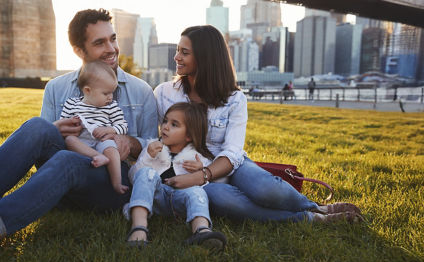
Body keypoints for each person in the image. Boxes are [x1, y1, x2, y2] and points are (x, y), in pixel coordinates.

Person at [0, 9, 158, 262]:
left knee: (67, 159)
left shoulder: (141, 91)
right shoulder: (56, 88)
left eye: (112, 39)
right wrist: (55, 129)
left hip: (116, 185)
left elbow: (157, 151)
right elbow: (42, 148)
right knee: (39, 127)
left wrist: (131, 142)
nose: (111, 48)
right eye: (99, 42)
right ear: (79, 51)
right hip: (65, 177)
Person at [151, 25, 362, 224]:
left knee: (267, 190)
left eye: (184, 52)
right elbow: (156, 140)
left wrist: (204, 174)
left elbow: (232, 152)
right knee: (224, 201)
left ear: (205, 58)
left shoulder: (234, 99)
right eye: (178, 50)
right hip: (190, 171)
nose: (176, 57)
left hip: (229, 165)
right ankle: (312, 218)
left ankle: (316, 207)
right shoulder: (164, 93)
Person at [123, 102, 226, 250]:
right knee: (146, 172)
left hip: (180, 203)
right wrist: (147, 157)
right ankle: (139, 227)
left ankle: (201, 230)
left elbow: (213, 184)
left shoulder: (198, 158)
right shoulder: (152, 148)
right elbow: (134, 177)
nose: (165, 126)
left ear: (189, 135)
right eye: (165, 121)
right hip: (155, 199)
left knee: (197, 191)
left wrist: (200, 172)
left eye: (174, 124)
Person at [60, 60, 128, 194]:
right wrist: (71, 122)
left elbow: (123, 126)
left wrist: (109, 130)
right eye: (106, 93)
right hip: (81, 142)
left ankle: (117, 183)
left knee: (111, 148)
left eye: (112, 92)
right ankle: (98, 157)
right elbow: (63, 123)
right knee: (69, 140)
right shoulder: (72, 104)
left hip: (101, 141)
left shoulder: (111, 107)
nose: (110, 97)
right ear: (87, 90)